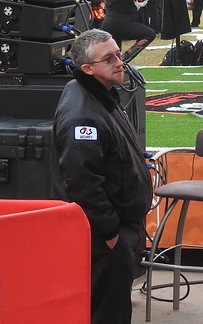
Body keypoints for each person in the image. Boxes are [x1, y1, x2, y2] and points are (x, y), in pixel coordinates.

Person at [52, 29, 153, 324]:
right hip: (105, 235)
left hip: (118, 229)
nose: (119, 62)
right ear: (88, 68)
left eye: (118, 53)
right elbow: (82, 181)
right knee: (107, 312)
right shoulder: (82, 114)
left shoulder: (100, 95)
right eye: (109, 58)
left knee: (115, 307)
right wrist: (110, 233)